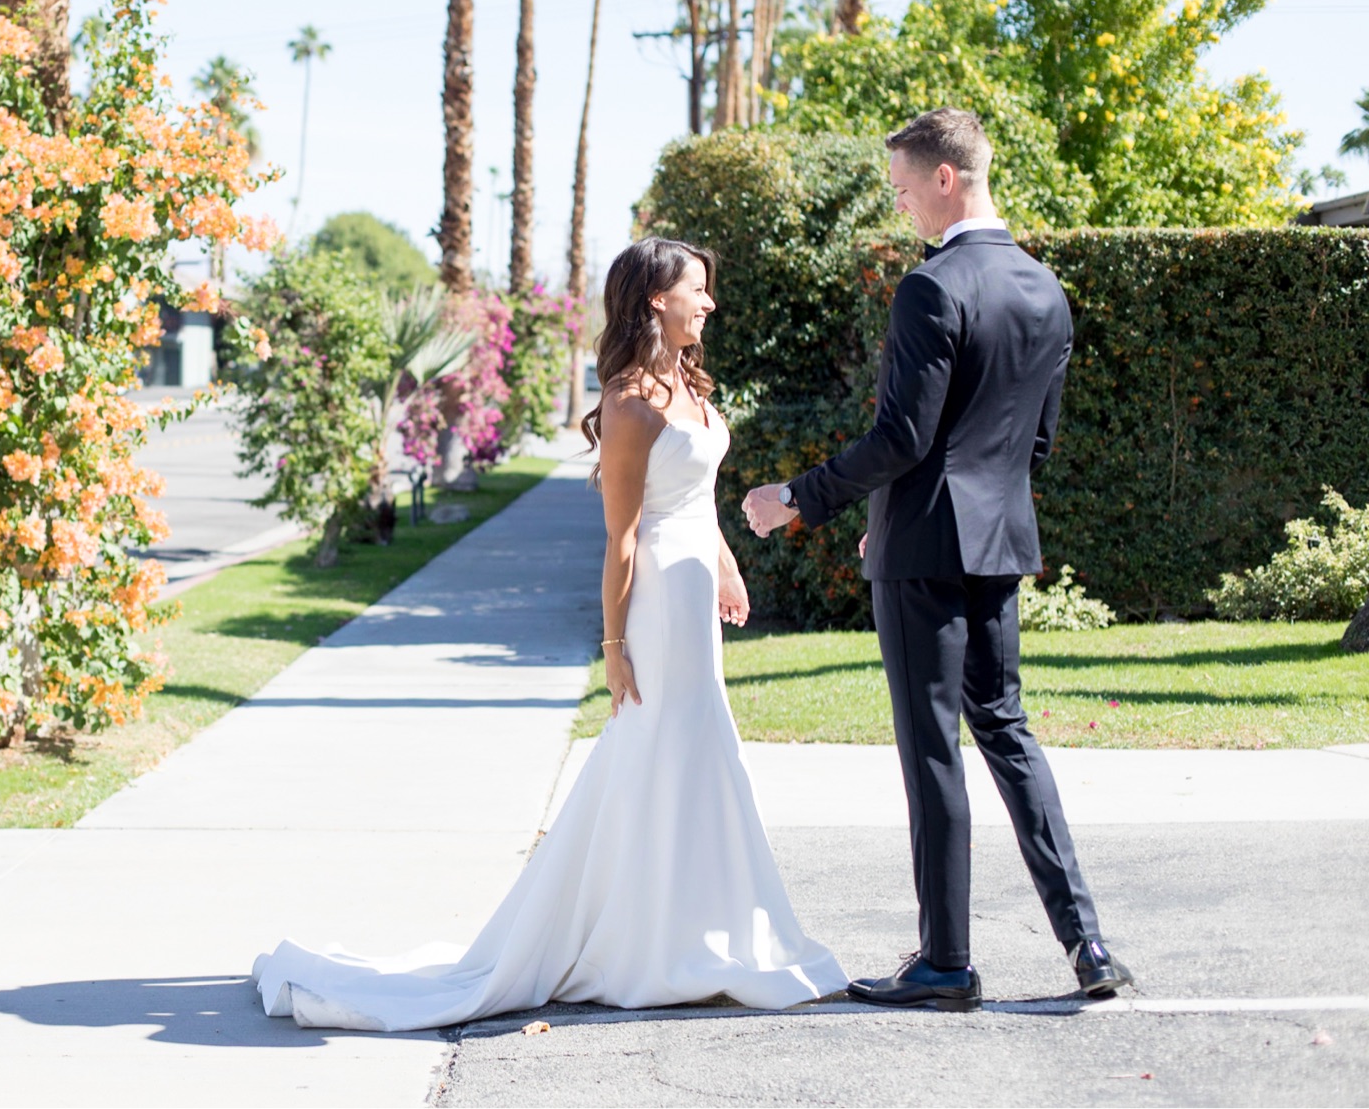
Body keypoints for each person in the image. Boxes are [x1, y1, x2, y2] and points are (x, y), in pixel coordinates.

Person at [252, 237, 847, 1031]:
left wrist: (728, 565)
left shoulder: (690, 383)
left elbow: (699, 500)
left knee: (697, 746)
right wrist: (613, 645)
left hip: (697, 581)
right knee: (659, 743)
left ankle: (699, 928)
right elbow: (624, 537)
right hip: (659, 601)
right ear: (651, 302)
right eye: (693, 290)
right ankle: (644, 940)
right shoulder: (632, 403)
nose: (707, 302)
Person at [741, 107, 1135, 1012]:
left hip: (925, 551)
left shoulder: (931, 286)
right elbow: (1034, 444)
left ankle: (947, 961)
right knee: (1008, 731)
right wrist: (954, 510)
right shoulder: (1046, 289)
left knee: (933, 752)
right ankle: (1088, 944)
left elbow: (904, 436)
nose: (903, 205)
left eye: (906, 189)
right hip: (998, 542)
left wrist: (794, 497)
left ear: (947, 178)